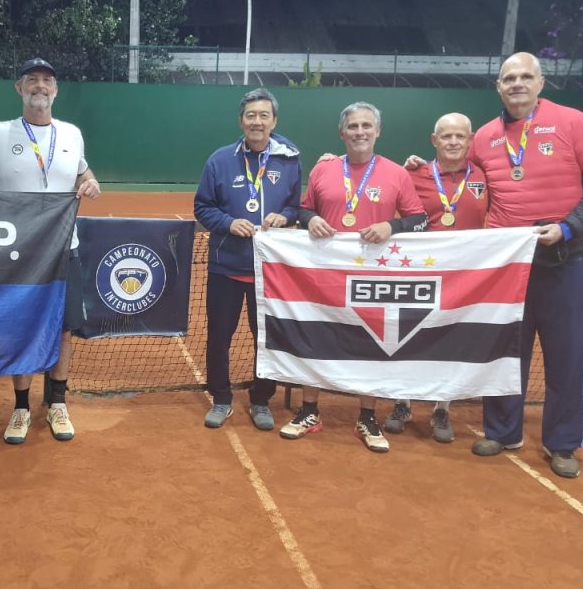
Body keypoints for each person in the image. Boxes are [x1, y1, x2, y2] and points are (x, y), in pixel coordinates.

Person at [466, 52, 583, 478]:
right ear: (498, 87)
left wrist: (568, 228)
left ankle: (562, 443)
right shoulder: (485, 136)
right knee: (505, 351)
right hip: (510, 266)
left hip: (568, 260)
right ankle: (503, 431)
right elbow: (462, 179)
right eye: (508, 78)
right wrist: (418, 167)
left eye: (525, 76)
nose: (517, 83)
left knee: (567, 356)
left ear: (540, 83)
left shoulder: (572, 122)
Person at [0, 58, 101, 444]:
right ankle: (22, 407)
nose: (40, 86)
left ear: (55, 90)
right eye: (32, 80)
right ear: (19, 88)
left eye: (47, 81)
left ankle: (57, 403)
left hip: (64, 249)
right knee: (20, 327)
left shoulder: (72, 134)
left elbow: (82, 171)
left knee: (63, 330)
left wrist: (91, 182)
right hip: (18, 253)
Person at [281, 102, 427, 453]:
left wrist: (391, 226)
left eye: (366, 126)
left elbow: (420, 219)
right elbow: (303, 208)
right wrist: (310, 219)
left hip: (372, 276)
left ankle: (367, 417)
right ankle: (309, 411)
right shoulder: (323, 169)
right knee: (316, 338)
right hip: (325, 275)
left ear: (378, 131)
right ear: (341, 132)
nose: (359, 132)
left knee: (369, 344)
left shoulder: (397, 173)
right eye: (353, 126)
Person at [193, 88, 302, 430]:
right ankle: (221, 398)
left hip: (268, 271)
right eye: (251, 115)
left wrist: (285, 217)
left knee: (264, 339)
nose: (257, 122)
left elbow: (296, 206)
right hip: (225, 268)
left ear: (274, 121)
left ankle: (260, 400)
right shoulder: (219, 160)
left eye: (264, 115)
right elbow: (202, 207)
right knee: (219, 337)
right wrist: (228, 222)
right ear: (241, 121)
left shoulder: (289, 160)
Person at [383, 112, 487, 443]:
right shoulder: (413, 174)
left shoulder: (484, 176)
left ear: (470, 140)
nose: (453, 142)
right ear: (434, 140)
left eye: (460, 136)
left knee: (451, 339)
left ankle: (442, 406)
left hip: (465, 277)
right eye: (446, 136)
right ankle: (402, 402)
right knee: (410, 336)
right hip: (420, 272)